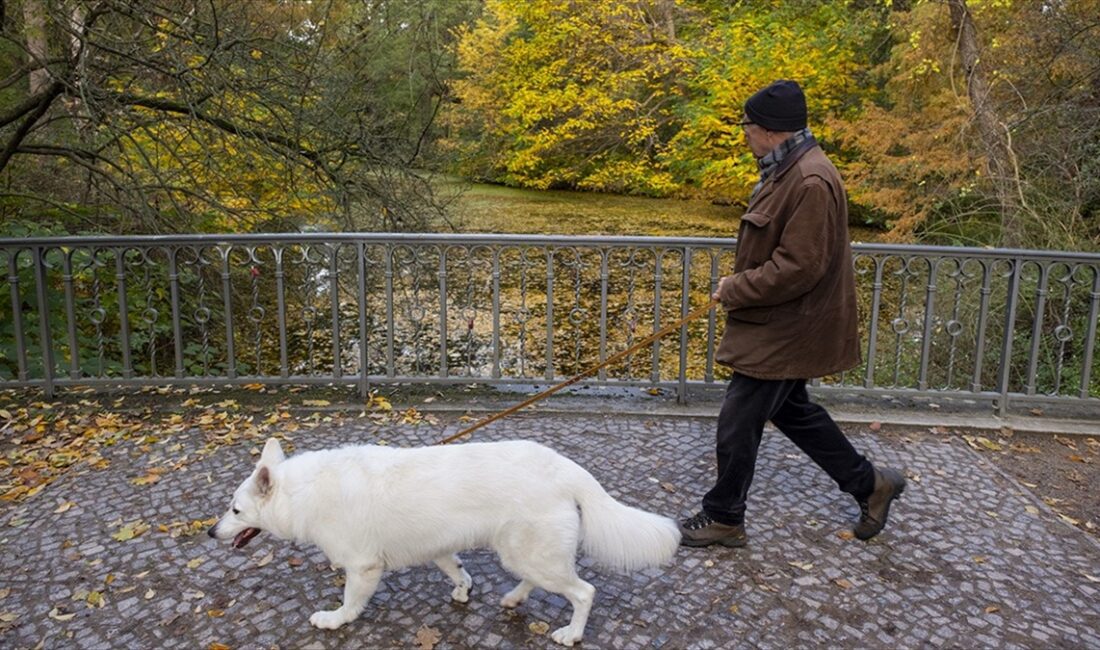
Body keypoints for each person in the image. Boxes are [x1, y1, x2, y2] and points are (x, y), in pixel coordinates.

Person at [679, 80, 905, 548]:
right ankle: (871, 484)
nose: (744, 134)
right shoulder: (791, 169)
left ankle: (724, 516)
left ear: (768, 130)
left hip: (789, 327)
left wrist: (734, 287)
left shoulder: (810, 180)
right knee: (795, 413)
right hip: (784, 323)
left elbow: (799, 267)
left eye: (747, 125)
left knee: (738, 419)